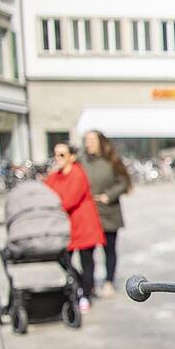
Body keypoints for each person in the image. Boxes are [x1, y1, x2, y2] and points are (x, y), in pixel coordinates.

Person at [45, 143, 105, 314]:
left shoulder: (78, 174)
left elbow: (70, 199)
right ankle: (79, 285)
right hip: (66, 227)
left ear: (71, 156)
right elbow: (46, 191)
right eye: (56, 155)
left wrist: (53, 206)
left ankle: (86, 294)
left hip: (84, 224)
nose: (58, 159)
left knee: (87, 261)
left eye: (62, 155)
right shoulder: (54, 176)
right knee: (63, 259)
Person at [82, 130, 132, 297]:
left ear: (100, 142)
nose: (88, 143)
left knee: (109, 250)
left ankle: (109, 281)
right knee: (87, 253)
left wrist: (108, 196)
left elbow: (124, 182)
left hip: (109, 212)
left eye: (92, 140)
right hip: (88, 213)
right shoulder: (82, 161)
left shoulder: (111, 160)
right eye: (86, 140)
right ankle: (89, 284)